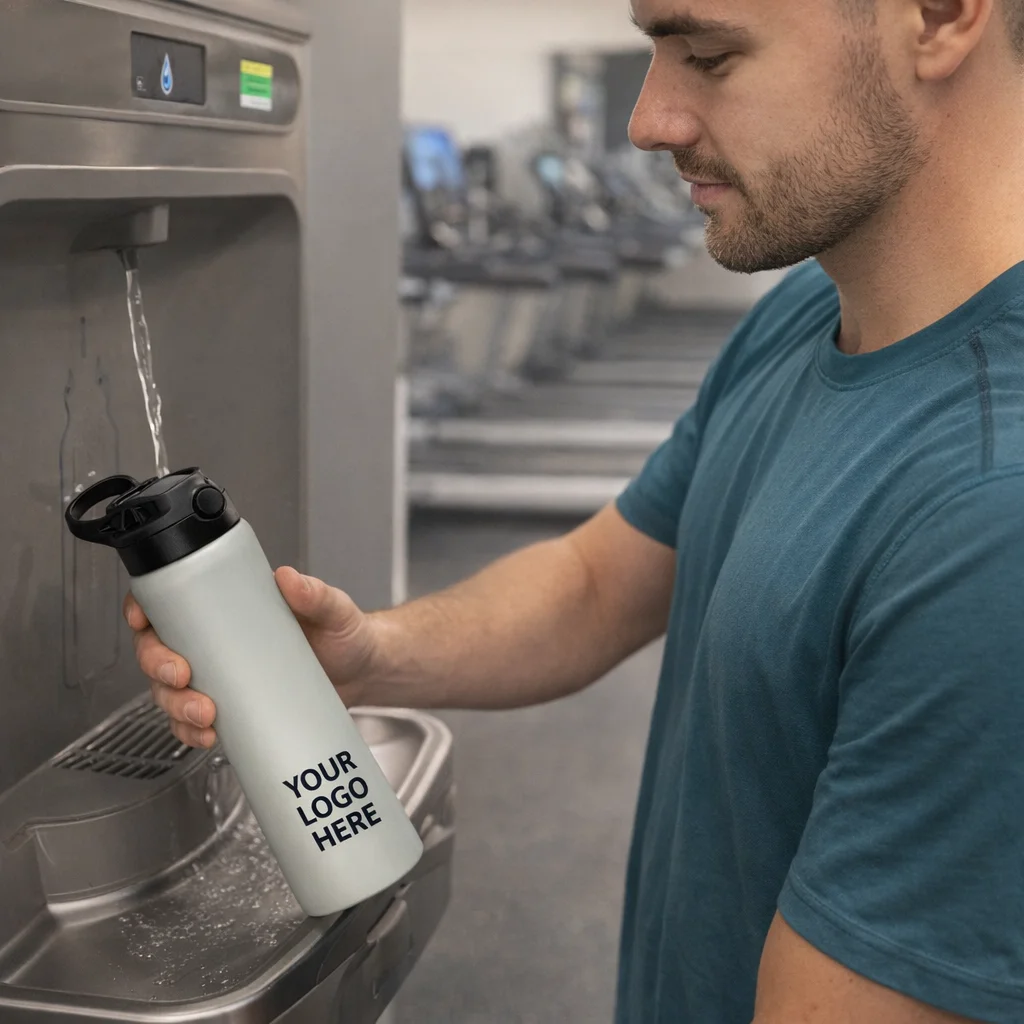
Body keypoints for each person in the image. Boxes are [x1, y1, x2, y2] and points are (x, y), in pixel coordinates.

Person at [127, 0, 1024, 1020]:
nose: (648, 120)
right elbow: (598, 582)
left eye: (710, 56)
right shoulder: (812, 313)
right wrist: (367, 652)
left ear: (941, 17)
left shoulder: (991, 518)